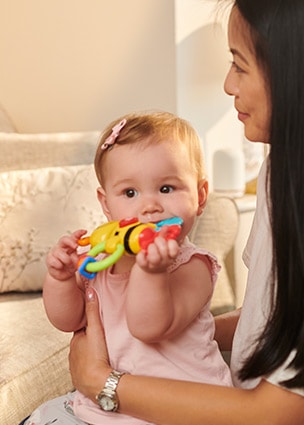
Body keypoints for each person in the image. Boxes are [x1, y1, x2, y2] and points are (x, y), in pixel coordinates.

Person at [27, 0, 304, 424]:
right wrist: (178, 336)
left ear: (298, 73)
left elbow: (271, 414)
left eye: (239, 65)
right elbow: (271, 318)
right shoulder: (286, 171)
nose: (227, 85)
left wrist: (103, 381)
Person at [34, 112, 232, 424]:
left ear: (200, 196)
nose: (149, 206)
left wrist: (151, 272)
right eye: (130, 193)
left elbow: (148, 327)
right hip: (108, 406)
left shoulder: (193, 266)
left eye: (166, 188)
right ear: (106, 203)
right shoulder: (98, 259)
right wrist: (60, 278)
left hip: (182, 409)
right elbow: (68, 319)